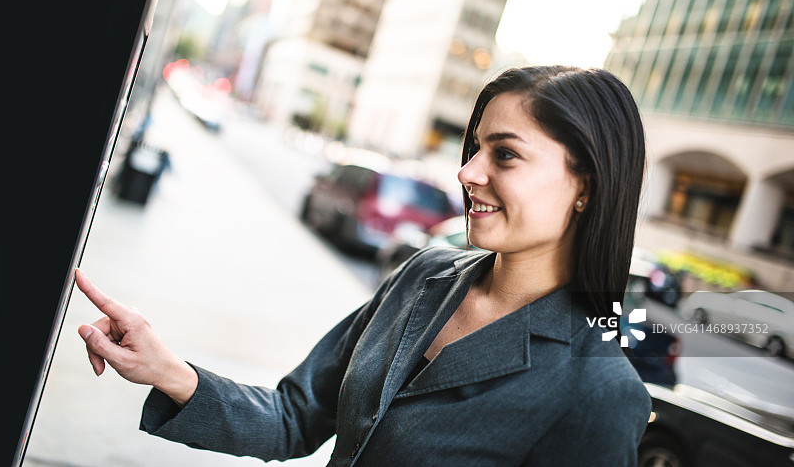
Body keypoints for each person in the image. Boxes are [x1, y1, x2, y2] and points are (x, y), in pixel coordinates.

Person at [76, 65, 651, 466]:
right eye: (474, 149)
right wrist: (169, 370)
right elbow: (295, 415)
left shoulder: (598, 390)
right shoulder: (423, 277)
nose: (468, 172)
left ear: (587, 186)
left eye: (505, 153)